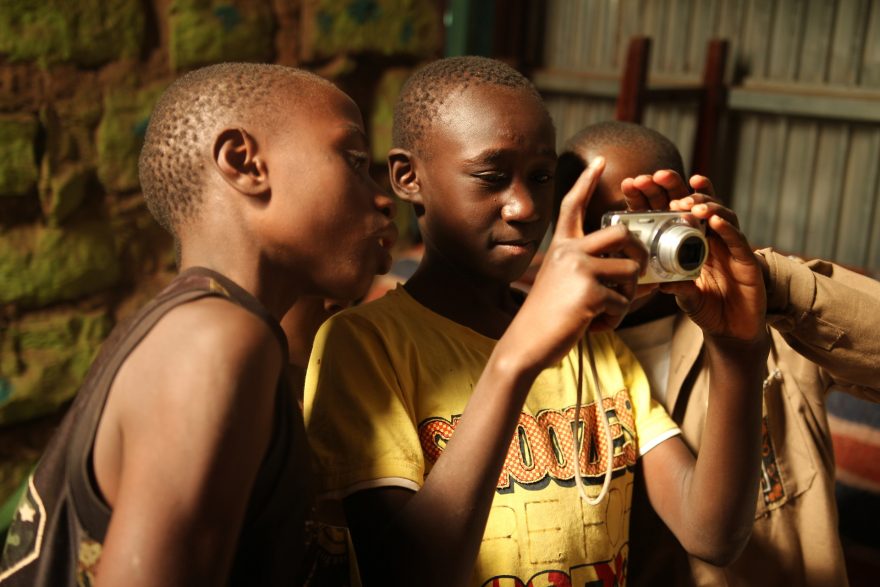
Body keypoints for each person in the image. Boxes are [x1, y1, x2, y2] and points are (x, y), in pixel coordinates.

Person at [303, 56, 770, 586]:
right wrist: (516, 359)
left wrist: (737, 350)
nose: (524, 206)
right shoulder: (365, 345)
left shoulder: (594, 343)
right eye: (491, 176)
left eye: (541, 177)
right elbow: (408, 575)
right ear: (408, 177)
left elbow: (712, 535)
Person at [0, 62, 398, 586]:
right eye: (353, 160)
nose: (383, 196)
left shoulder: (204, 326)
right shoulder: (216, 343)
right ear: (244, 162)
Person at [557, 120, 880, 587]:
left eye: (637, 223)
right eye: (595, 224)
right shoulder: (553, 356)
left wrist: (772, 285)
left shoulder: (770, 322)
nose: (616, 245)